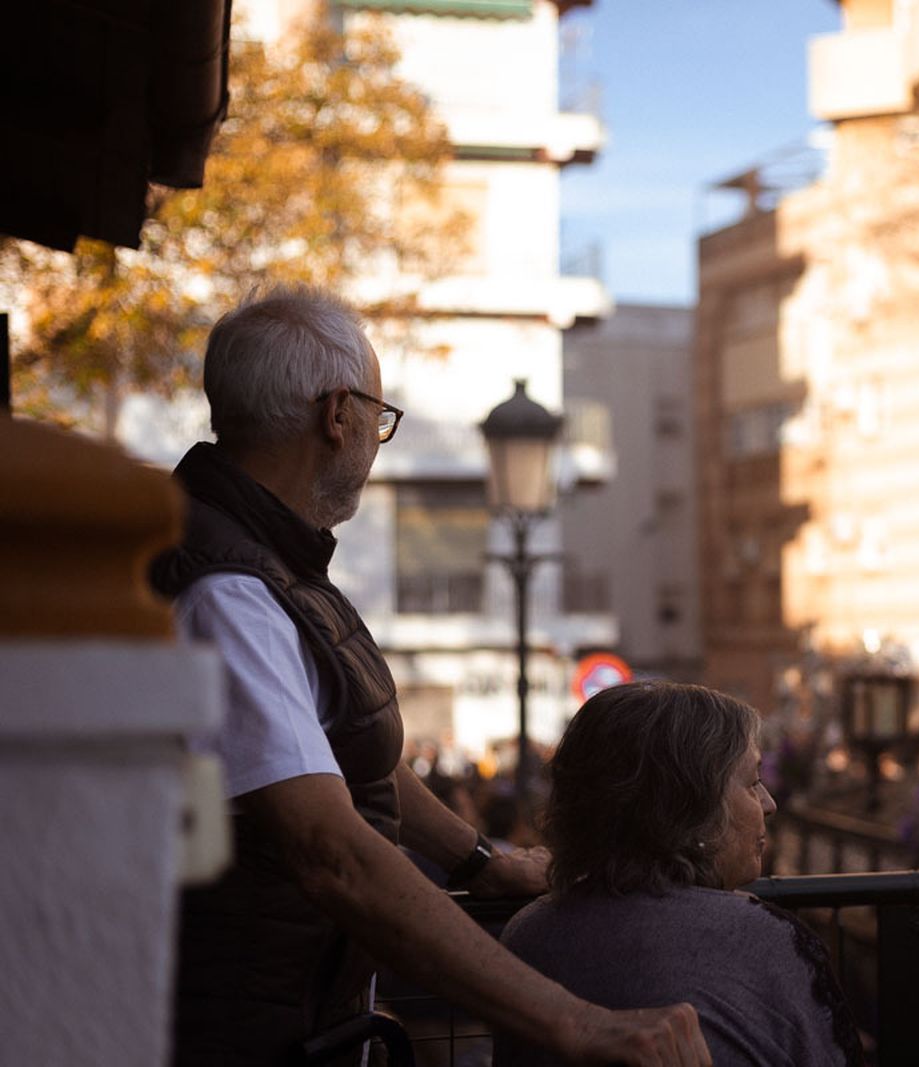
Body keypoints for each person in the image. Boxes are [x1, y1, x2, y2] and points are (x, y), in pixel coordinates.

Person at [150, 288, 709, 1066]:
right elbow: (330, 847)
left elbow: (340, 756)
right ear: (336, 413)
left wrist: (478, 859)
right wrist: (577, 1022)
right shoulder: (229, 592)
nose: (377, 444)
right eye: (379, 418)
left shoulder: (259, 558)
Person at [496, 681, 864, 1067]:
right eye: (753, 782)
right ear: (693, 809)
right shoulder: (762, 940)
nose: (768, 804)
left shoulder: (528, 933)